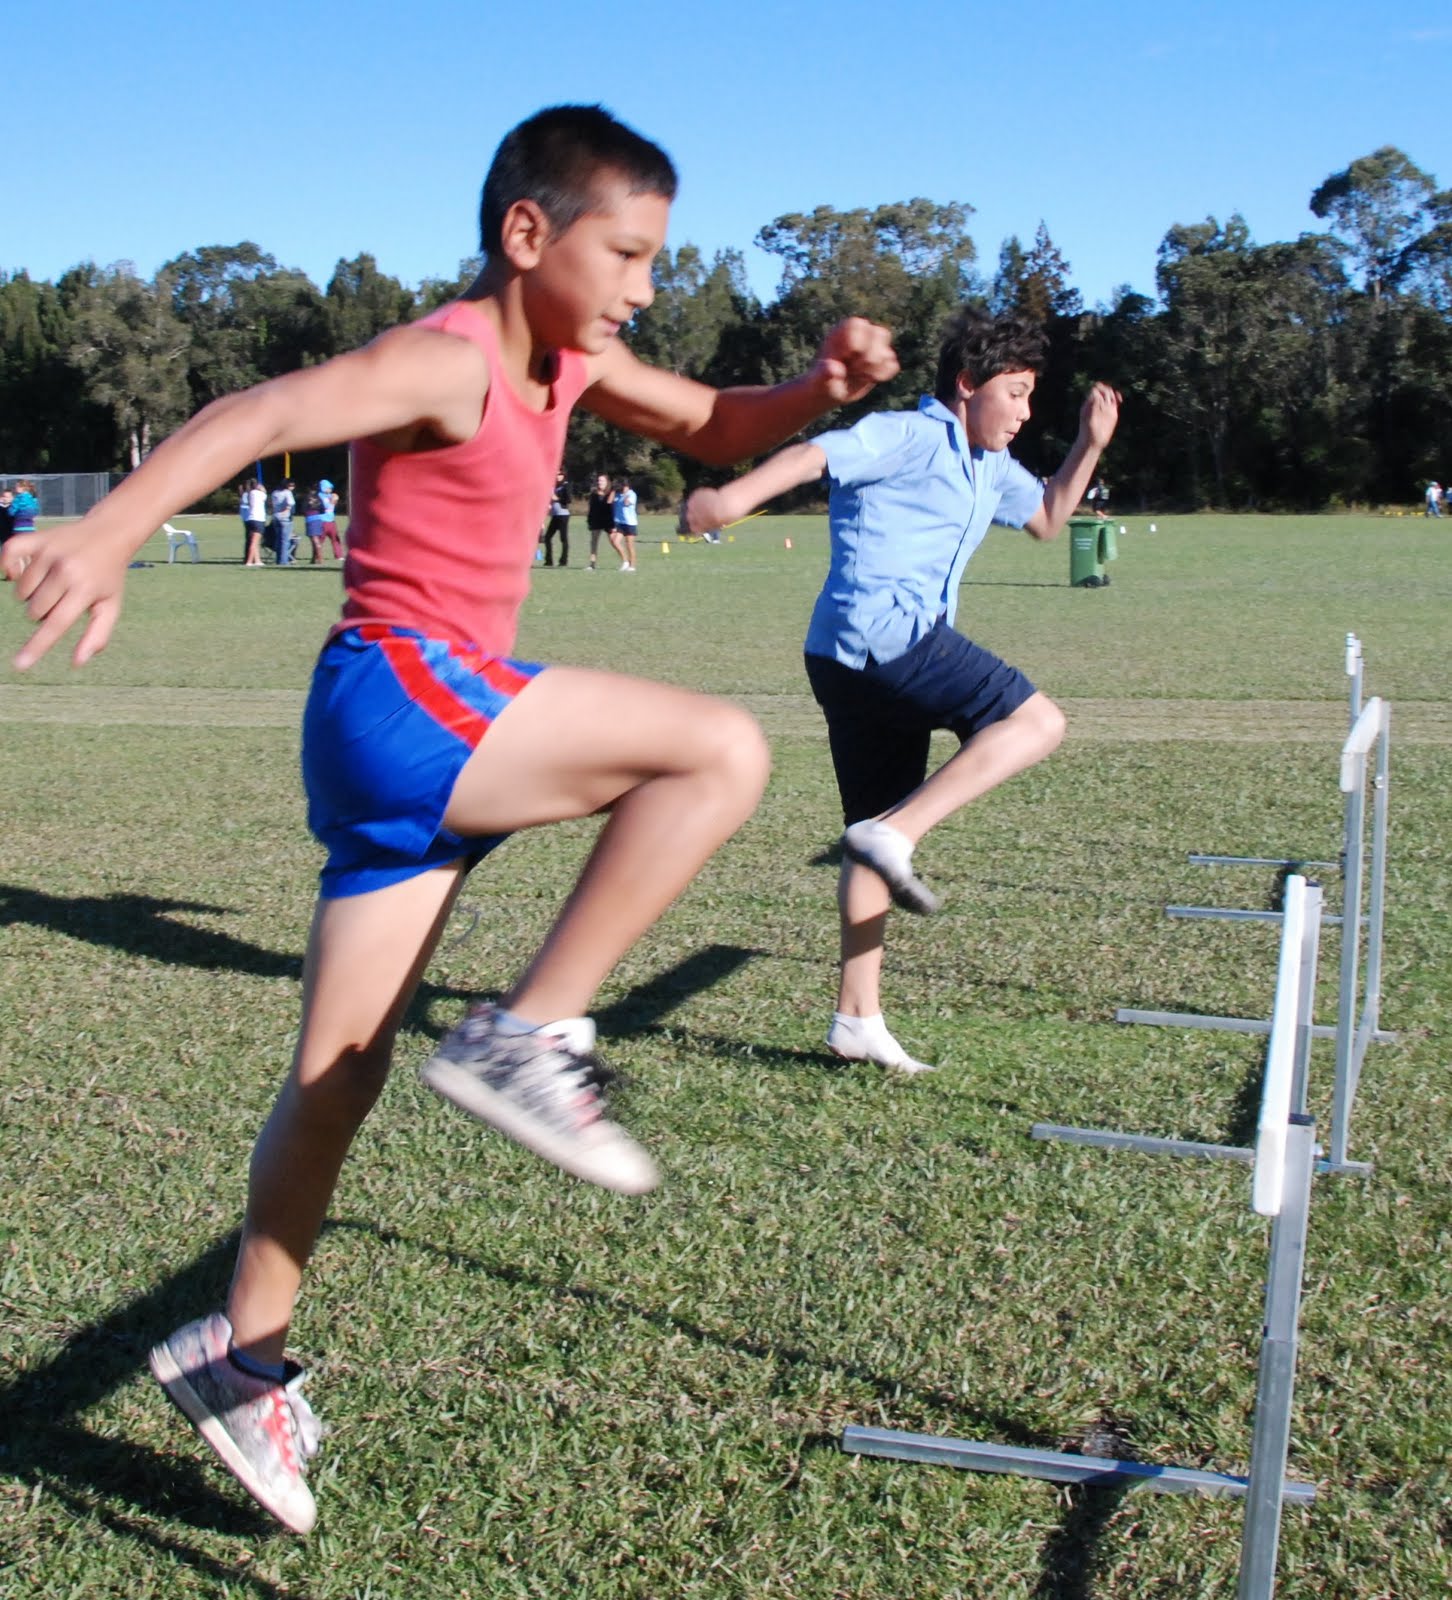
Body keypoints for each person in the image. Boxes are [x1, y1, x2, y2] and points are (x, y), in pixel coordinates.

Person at [3, 103, 897, 1535]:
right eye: (629, 253)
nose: (646, 286)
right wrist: (109, 531)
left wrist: (818, 385)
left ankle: (243, 1359)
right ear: (527, 233)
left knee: (339, 1074)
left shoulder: (575, 362)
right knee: (717, 752)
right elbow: (268, 414)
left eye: (658, 260)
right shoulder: (447, 358)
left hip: (415, 739)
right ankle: (534, 1031)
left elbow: (719, 425)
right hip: (411, 695)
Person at [685, 308, 1119, 1074]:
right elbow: (817, 454)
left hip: (850, 658)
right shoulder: (909, 435)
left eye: (1029, 399)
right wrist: (732, 501)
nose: (1023, 414)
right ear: (965, 384)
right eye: (1013, 394)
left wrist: (1090, 444)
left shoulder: (992, 466)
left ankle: (857, 1018)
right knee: (1036, 722)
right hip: (884, 639)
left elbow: (1051, 519)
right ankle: (898, 835)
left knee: (868, 832)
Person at [585, 471, 614, 570]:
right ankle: (592, 564)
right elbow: (591, 508)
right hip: (596, 520)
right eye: (598, 480)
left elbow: (612, 507)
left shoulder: (611, 493)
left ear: (607, 482)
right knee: (593, 542)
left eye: (602, 480)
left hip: (608, 520)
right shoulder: (594, 493)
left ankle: (625, 561)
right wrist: (589, 520)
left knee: (614, 541)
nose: (599, 482)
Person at [542, 470, 571, 566]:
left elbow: (568, 500)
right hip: (555, 515)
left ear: (563, 475)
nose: (558, 476)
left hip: (563, 515)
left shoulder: (566, 486)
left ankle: (563, 561)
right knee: (547, 537)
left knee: (563, 538)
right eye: (556, 474)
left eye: (560, 474)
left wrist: (557, 498)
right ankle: (548, 561)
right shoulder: (555, 486)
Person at [611, 475, 638, 570]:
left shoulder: (632, 494)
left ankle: (632, 566)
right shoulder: (618, 494)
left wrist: (625, 496)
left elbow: (627, 503)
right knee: (615, 542)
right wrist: (614, 490)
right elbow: (610, 502)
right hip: (620, 523)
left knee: (629, 545)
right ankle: (625, 561)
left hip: (630, 523)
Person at [242, 477, 268, 566]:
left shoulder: (249, 493)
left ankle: (257, 560)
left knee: (255, 541)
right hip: (258, 519)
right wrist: (263, 489)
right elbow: (265, 496)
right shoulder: (260, 494)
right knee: (254, 542)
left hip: (250, 519)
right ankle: (249, 561)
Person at [271, 479, 297, 565]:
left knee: (278, 539)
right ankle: (283, 561)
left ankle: (278, 559)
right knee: (285, 541)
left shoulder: (274, 492)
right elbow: (291, 503)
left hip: (275, 517)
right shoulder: (287, 493)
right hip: (285, 518)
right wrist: (287, 510)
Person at [317, 478, 343, 558]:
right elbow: (325, 507)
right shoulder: (320, 496)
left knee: (335, 538)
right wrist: (332, 501)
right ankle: (317, 555)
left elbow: (333, 507)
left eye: (331, 488)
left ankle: (339, 555)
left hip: (331, 520)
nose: (330, 490)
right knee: (320, 539)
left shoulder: (330, 495)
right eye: (329, 488)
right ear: (323, 488)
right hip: (322, 521)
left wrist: (335, 501)